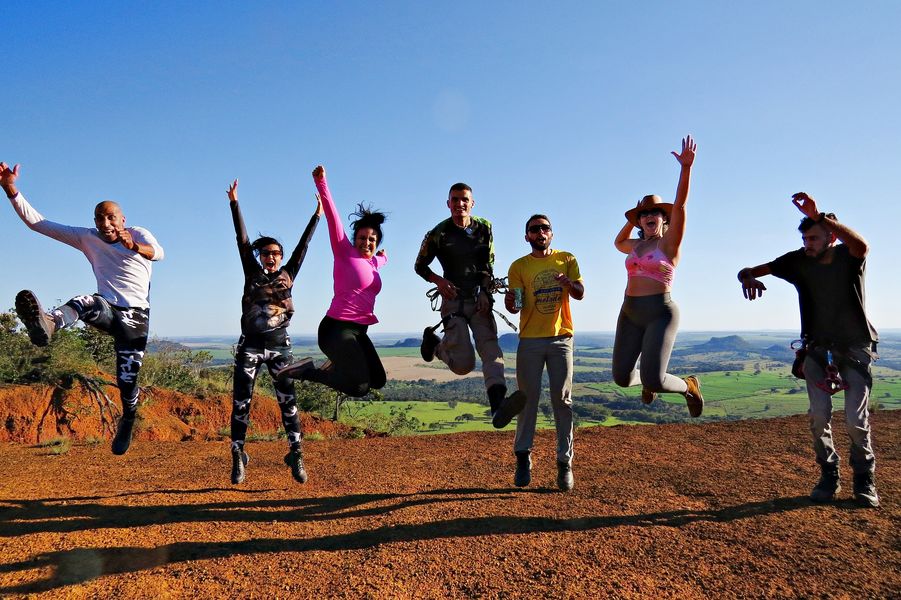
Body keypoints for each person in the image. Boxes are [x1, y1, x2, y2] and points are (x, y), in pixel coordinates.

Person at [1, 161, 164, 455]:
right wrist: (12, 190)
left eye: (111, 218)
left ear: (123, 220)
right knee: (85, 301)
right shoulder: (86, 237)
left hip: (136, 319)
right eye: (99, 218)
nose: (105, 224)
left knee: (127, 383)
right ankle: (49, 323)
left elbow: (160, 254)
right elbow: (39, 224)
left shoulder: (138, 234)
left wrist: (134, 247)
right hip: (107, 308)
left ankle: (128, 416)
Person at [737, 193, 880, 507]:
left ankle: (864, 479)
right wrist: (746, 278)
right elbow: (749, 269)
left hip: (855, 350)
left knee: (856, 421)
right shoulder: (797, 262)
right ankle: (829, 474)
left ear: (831, 236)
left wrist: (821, 215)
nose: (807, 243)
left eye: (813, 238)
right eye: (804, 238)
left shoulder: (848, 257)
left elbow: (863, 246)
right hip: (816, 351)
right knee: (818, 416)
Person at [226, 178, 320, 485]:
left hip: (280, 347)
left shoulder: (288, 274)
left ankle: (295, 452)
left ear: (281, 257)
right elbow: (242, 240)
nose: (270, 256)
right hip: (250, 346)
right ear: (259, 256)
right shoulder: (251, 272)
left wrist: (317, 216)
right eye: (266, 252)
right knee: (242, 401)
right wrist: (234, 203)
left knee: (288, 402)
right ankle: (238, 454)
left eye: (275, 253)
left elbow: (304, 247)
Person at [415, 182, 526, 428]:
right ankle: (436, 346)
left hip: (479, 299)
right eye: (455, 200)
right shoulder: (438, 233)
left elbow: (488, 264)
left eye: (464, 199)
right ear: (448, 204)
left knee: (491, 350)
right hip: (452, 301)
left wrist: (486, 291)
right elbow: (420, 266)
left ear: (472, 203)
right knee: (464, 365)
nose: (459, 204)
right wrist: (439, 280)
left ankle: (498, 407)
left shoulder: (484, 228)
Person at [611, 135, 703, 417]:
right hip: (629, 312)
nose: (650, 216)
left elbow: (682, 206)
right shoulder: (636, 245)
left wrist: (685, 169)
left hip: (660, 312)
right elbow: (617, 243)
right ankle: (647, 379)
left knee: (654, 379)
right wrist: (631, 218)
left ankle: (688, 386)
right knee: (623, 378)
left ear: (664, 218)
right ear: (640, 221)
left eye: (655, 212)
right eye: (644, 213)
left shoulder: (669, 244)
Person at [277, 165, 388, 397]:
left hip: (359, 332)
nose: (366, 242)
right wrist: (321, 183)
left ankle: (335, 365)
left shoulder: (373, 263)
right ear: (353, 238)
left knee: (378, 380)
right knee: (359, 387)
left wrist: (383, 257)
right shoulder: (344, 251)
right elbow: (333, 217)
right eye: (362, 238)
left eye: (372, 240)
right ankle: (306, 371)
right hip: (336, 330)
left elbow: (378, 261)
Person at [504, 214, 583, 490]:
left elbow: (580, 292)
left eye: (545, 228)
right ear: (526, 236)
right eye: (534, 229)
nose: (540, 232)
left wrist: (568, 284)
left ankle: (565, 463)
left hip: (561, 339)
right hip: (530, 340)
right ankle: (523, 457)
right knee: (527, 401)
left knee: (562, 401)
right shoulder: (519, 266)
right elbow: (516, 306)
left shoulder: (567, 259)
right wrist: (510, 302)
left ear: (552, 233)